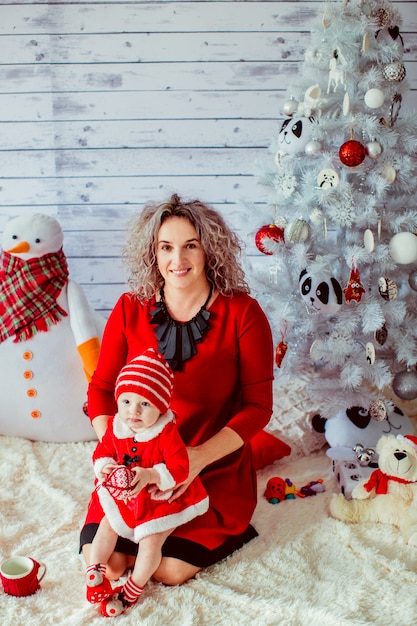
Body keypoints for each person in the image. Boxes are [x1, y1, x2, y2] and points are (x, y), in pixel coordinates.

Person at [80, 193, 274, 587]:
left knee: (167, 571)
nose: (178, 260)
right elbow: (100, 389)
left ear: (209, 250)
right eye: (166, 247)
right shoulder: (129, 308)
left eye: (190, 246)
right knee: (110, 565)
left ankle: (232, 525)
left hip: (209, 465)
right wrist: (117, 455)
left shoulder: (243, 312)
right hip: (135, 466)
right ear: (153, 253)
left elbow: (258, 407)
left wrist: (197, 458)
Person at [85, 348, 208, 617]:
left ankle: (133, 588)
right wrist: (105, 466)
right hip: (126, 494)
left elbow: (180, 468)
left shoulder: (165, 432)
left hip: (159, 497)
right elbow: (102, 451)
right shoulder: (117, 425)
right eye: (126, 401)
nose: (133, 412)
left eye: (145, 404)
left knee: (150, 541)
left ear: (161, 407)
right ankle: (94, 571)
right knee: (107, 525)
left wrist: (152, 475)